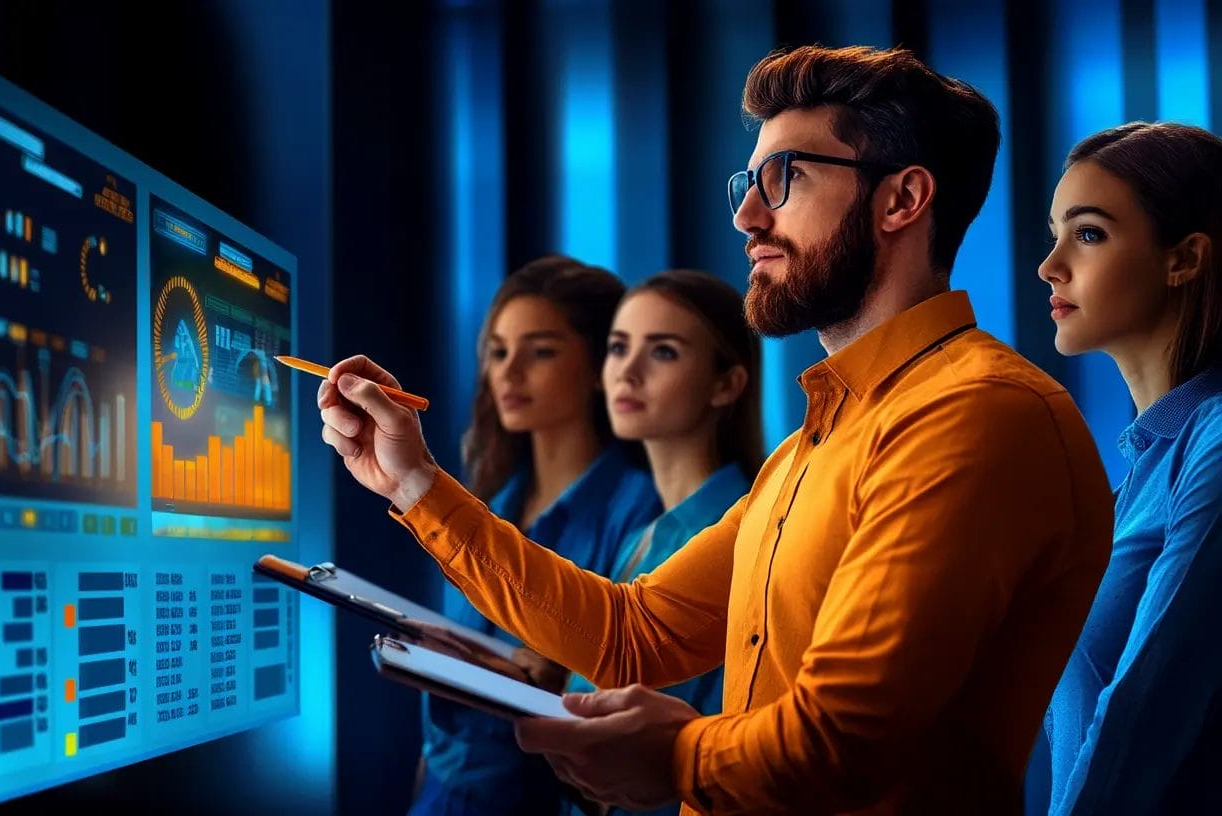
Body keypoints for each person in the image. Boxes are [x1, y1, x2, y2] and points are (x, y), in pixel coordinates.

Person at [321, 45, 1114, 814]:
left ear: (901, 200)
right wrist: (413, 482)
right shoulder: (809, 448)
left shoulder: (976, 414)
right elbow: (631, 634)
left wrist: (674, 757)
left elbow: (847, 738)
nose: (747, 215)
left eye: (785, 178)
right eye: (749, 182)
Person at [409, 255, 662, 816]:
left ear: (601, 364)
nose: (509, 372)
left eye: (540, 351)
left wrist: (557, 676)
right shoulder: (486, 504)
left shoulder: (642, 510)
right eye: (498, 352)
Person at [1037, 122, 1222, 814]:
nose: (1049, 266)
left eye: (1087, 234)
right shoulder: (1136, 479)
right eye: (1054, 233)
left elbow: (1147, 708)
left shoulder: (1214, 443)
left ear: (1184, 258)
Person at [560, 269, 764, 816]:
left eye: (663, 352)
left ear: (727, 384)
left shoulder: (743, 532)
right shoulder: (640, 533)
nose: (627, 372)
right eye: (618, 347)